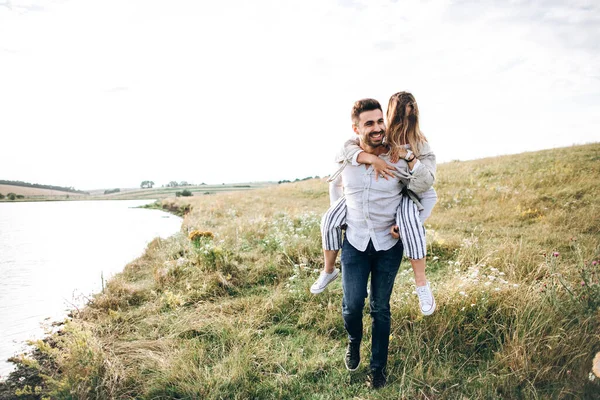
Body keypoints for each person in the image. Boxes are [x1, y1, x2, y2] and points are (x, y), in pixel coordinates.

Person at [311, 92, 437, 316]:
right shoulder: (382, 139)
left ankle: (422, 284)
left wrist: (409, 158)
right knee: (329, 219)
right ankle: (328, 270)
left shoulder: (420, 145)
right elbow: (347, 148)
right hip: (357, 210)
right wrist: (372, 158)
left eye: (411, 116)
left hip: (407, 196)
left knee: (412, 226)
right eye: (400, 117)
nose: (405, 122)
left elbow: (428, 187)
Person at [328, 98, 414, 389]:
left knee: (381, 308)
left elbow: (424, 193)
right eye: (370, 123)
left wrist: (405, 224)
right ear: (356, 128)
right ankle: (354, 340)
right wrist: (337, 211)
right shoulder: (347, 157)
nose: (378, 128)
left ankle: (378, 369)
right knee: (352, 306)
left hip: (388, 246)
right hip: (354, 242)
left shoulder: (398, 158)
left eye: (380, 122)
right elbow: (334, 184)